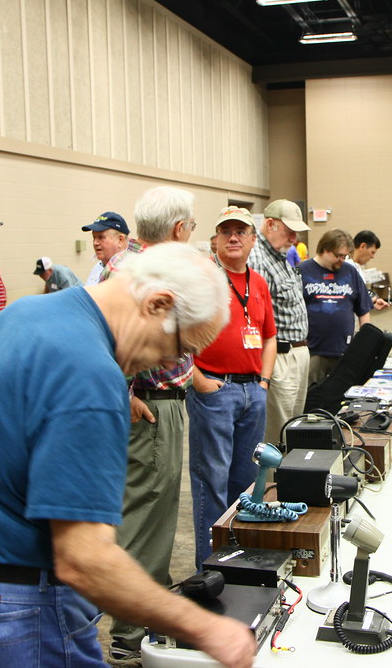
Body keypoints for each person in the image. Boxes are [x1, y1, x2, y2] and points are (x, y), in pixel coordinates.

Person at [0, 243, 256, 668]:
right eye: (179, 348)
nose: (170, 363)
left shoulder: (25, 314)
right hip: (2, 614)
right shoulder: (89, 372)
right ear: (158, 304)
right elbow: (86, 560)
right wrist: (205, 628)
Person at [101, 186, 199, 663]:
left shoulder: (124, 264)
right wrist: (125, 393)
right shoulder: (147, 272)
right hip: (151, 406)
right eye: (193, 228)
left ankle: (143, 611)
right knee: (146, 514)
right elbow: (104, 338)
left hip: (156, 400)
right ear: (179, 229)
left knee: (147, 513)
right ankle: (130, 633)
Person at [188, 207, 276, 570]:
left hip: (252, 392)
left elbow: (269, 336)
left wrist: (263, 383)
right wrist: (199, 380)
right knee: (212, 481)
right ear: (216, 239)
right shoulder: (202, 279)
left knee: (246, 480)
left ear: (254, 239)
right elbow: (177, 333)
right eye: (226, 231)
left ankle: (238, 556)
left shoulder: (258, 283)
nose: (234, 237)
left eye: (241, 231)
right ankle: (209, 566)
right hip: (215, 392)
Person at [248, 199, 311, 449]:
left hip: (297, 354)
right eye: (289, 231)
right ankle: (272, 485)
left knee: (291, 430)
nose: (294, 238)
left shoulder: (280, 257)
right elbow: (254, 318)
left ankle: (287, 482)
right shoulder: (258, 259)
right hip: (280, 358)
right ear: (270, 224)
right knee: (277, 435)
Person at [299, 229, 373, 384]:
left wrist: (364, 342)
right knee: (310, 397)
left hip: (343, 351)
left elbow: (363, 308)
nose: (342, 260)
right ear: (324, 249)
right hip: (313, 351)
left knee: (339, 396)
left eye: (345, 256)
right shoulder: (302, 271)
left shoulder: (350, 271)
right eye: (338, 255)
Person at [82, 211, 130, 286]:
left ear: (120, 240)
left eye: (101, 237)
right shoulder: (99, 266)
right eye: (94, 237)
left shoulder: (129, 271)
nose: (95, 243)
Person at [346, 230, 388, 310]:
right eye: (372, 252)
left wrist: (372, 302)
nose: (372, 257)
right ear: (363, 246)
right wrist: (369, 300)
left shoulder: (357, 266)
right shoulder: (346, 266)